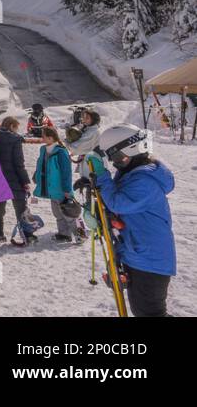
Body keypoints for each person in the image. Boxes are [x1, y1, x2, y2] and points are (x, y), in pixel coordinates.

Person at [84, 125, 175, 317]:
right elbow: (113, 204)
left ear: (133, 150)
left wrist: (101, 176)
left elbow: (118, 203)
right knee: (142, 311)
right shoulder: (131, 174)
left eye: (117, 158)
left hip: (150, 260)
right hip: (136, 253)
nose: (115, 164)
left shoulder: (145, 181)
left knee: (150, 313)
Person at [0, 116, 35, 244]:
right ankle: (26, 234)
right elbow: (19, 163)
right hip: (14, 178)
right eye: (16, 127)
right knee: (20, 207)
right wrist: (25, 181)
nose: (17, 131)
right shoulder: (15, 139)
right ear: (11, 126)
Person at [32, 126, 77, 242]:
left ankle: (79, 234)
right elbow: (41, 164)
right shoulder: (43, 150)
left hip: (61, 189)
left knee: (68, 213)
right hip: (50, 188)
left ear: (51, 138)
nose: (42, 138)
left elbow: (66, 172)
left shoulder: (61, 152)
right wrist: (36, 176)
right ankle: (64, 234)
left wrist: (67, 189)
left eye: (44, 136)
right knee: (57, 213)